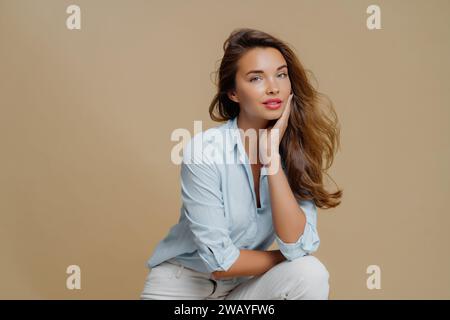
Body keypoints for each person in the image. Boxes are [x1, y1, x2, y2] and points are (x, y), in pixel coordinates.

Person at [141, 28, 343, 300]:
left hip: (243, 293)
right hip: (181, 290)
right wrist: (284, 256)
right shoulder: (205, 151)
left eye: (281, 74)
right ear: (233, 93)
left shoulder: (296, 153)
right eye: (256, 78)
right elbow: (221, 263)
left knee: (310, 273)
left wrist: (271, 158)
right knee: (300, 262)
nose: (273, 87)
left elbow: (297, 245)